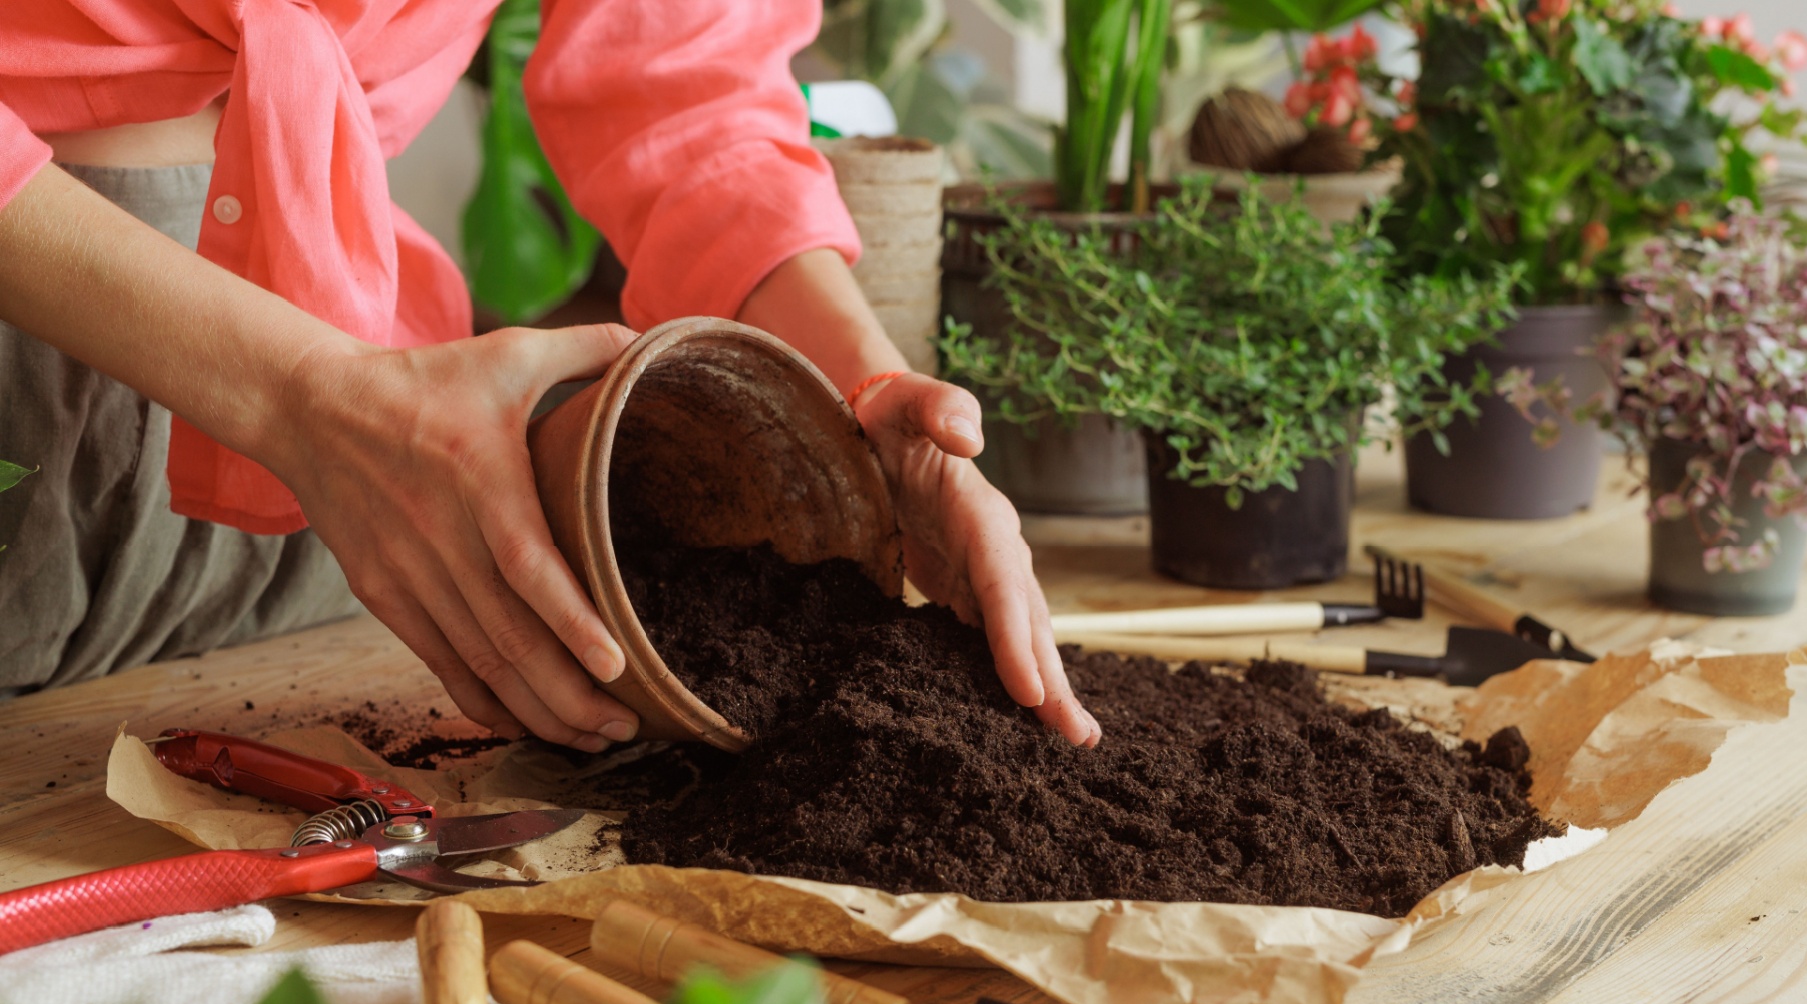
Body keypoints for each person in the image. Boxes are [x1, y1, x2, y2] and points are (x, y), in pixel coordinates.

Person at [0, 1, 1100, 749]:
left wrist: (860, 399)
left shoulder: (393, 462)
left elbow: (682, 74)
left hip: (349, 407)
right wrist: (299, 397)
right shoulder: (347, 426)